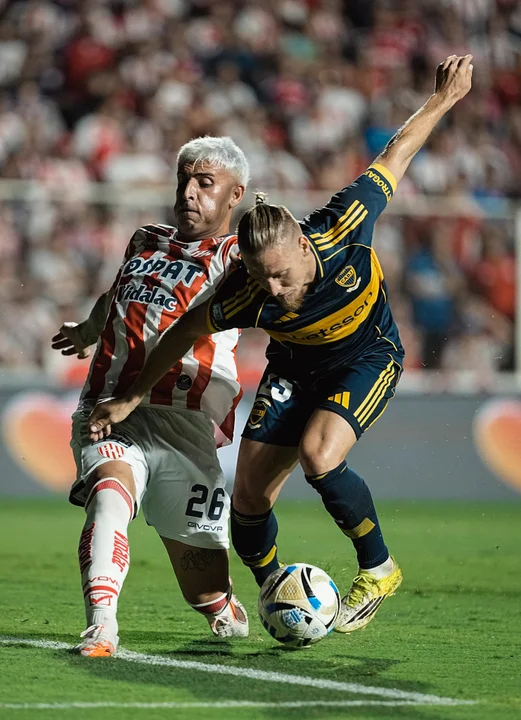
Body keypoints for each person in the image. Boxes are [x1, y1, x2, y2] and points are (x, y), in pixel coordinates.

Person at [88, 56, 473, 635]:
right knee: (246, 501)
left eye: (280, 275)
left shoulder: (345, 224)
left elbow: (396, 154)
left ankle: (379, 567)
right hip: (294, 369)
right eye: (260, 277)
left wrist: (443, 99)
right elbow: (183, 331)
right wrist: (132, 396)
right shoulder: (245, 292)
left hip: (366, 358)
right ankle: (280, 594)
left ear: (300, 242)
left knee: (320, 456)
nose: (272, 290)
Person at [51, 136, 251, 657]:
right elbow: (119, 292)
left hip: (185, 424)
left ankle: (224, 605)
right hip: (112, 406)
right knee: (108, 495)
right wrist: (90, 328)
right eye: (184, 180)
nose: (188, 193)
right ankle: (101, 627)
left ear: (235, 195)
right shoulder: (145, 239)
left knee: (206, 591)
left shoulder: (239, 256)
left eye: (205, 183)